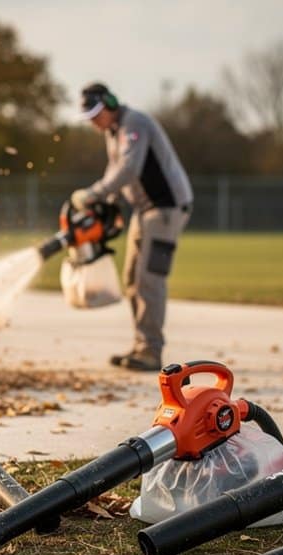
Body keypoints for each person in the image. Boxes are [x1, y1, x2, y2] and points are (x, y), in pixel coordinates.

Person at [71, 82, 193, 372]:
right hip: (144, 210)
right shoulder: (113, 131)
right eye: (89, 117)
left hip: (165, 208)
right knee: (132, 279)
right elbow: (114, 171)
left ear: (111, 103)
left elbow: (129, 168)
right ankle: (141, 345)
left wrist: (93, 193)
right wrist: (106, 201)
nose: (93, 121)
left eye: (96, 113)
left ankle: (151, 351)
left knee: (149, 279)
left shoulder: (133, 123)